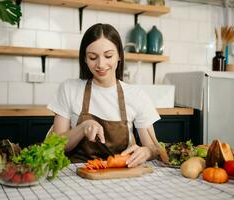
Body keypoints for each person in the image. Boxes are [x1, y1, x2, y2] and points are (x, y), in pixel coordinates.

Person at [47, 23, 161, 167]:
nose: (101, 64)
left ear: (119, 55)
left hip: (120, 176)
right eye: (93, 57)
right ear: (85, 58)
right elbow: (55, 146)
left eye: (108, 56)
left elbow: (155, 147)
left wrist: (147, 152)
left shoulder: (136, 95)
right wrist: (82, 128)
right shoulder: (69, 89)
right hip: (76, 175)